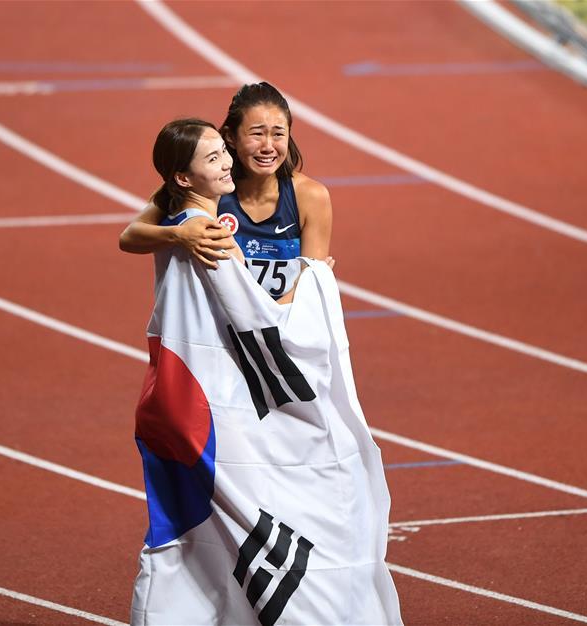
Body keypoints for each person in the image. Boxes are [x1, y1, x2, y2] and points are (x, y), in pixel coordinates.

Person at [131, 118, 401, 625]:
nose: (227, 162)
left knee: (182, 532)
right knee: (259, 513)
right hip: (202, 410)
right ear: (184, 178)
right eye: (214, 157)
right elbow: (263, 326)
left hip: (171, 396)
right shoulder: (209, 234)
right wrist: (315, 283)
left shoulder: (183, 225)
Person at [120, 82, 333, 300]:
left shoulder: (309, 196)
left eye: (278, 134)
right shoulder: (208, 184)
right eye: (257, 134)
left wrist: (264, 325)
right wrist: (179, 235)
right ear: (230, 136)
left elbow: (309, 290)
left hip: (280, 326)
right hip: (220, 330)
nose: (268, 146)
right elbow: (130, 237)